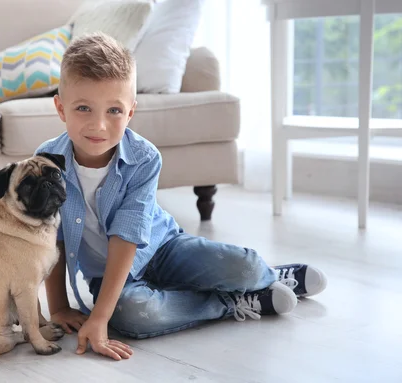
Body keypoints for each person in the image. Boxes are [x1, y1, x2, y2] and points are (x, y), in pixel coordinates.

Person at [34, 33, 328, 361]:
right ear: (61, 108)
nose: (99, 125)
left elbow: (126, 237)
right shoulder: (47, 161)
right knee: (134, 316)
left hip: (165, 248)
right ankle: (230, 302)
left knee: (242, 267)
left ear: (131, 112)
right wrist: (59, 307)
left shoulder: (145, 159)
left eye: (114, 110)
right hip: (107, 274)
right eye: (83, 108)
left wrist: (99, 317)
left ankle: (265, 276)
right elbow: (51, 238)